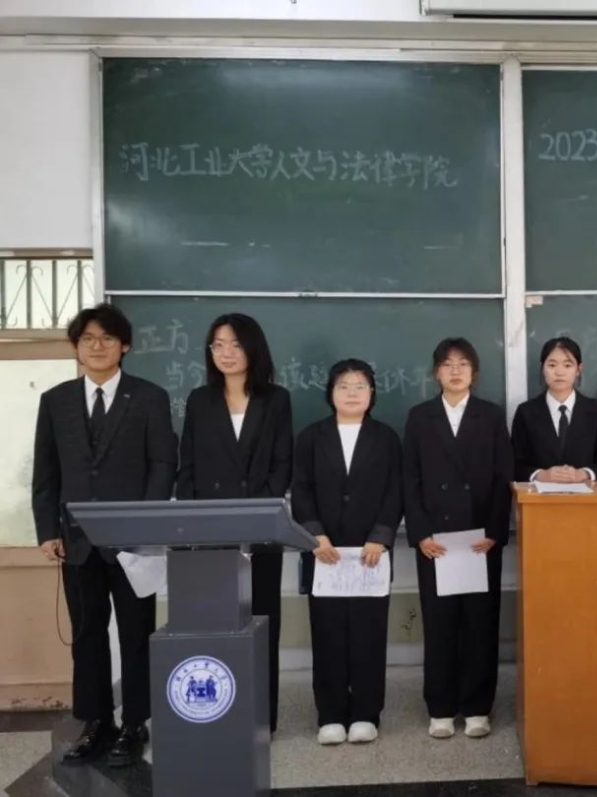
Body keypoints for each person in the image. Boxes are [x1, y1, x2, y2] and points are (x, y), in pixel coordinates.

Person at [32, 303, 177, 767]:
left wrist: (145, 525)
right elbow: (46, 473)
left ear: (125, 346)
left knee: (136, 633)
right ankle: (96, 723)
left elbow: (163, 464)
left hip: (133, 542)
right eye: (88, 339)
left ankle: (134, 724)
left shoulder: (149, 397)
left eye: (107, 338)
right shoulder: (55, 400)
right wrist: (47, 529)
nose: (97, 346)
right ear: (76, 347)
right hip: (75, 541)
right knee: (87, 635)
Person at [175, 313, 292, 735]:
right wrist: (191, 527)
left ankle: (262, 717)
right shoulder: (199, 400)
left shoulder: (276, 399)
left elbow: (282, 464)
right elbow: (187, 467)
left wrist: (256, 516)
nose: (226, 353)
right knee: (216, 624)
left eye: (236, 344)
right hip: (211, 533)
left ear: (252, 348)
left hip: (261, 530)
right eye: (218, 345)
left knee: (263, 622)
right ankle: (220, 711)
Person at [402, 338, 513, 739]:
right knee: (440, 625)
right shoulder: (420, 417)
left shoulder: (491, 415)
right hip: (437, 542)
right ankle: (441, 708)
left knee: (480, 625)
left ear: (474, 372)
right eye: (447, 364)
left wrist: (495, 532)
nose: (455, 370)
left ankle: (478, 707)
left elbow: (503, 476)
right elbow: (410, 479)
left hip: (480, 540)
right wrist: (420, 535)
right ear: (436, 372)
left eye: (463, 364)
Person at [291, 359, 402, 744]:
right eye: (343, 386)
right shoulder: (311, 437)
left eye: (360, 386)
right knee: (328, 633)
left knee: (369, 633)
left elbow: (396, 490)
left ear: (372, 394)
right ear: (330, 393)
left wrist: (381, 535)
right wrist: (315, 535)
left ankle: (367, 714)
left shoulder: (386, 438)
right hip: (325, 553)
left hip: (372, 552)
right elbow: (300, 490)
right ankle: (331, 714)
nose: (352, 393)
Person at [511, 336, 597, 484]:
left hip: (587, 494)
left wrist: (584, 473)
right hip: (539, 495)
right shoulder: (526, 412)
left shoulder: (596, 410)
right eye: (552, 365)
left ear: (578, 369)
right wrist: (541, 475)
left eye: (567, 365)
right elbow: (514, 463)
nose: (559, 372)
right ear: (542, 369)